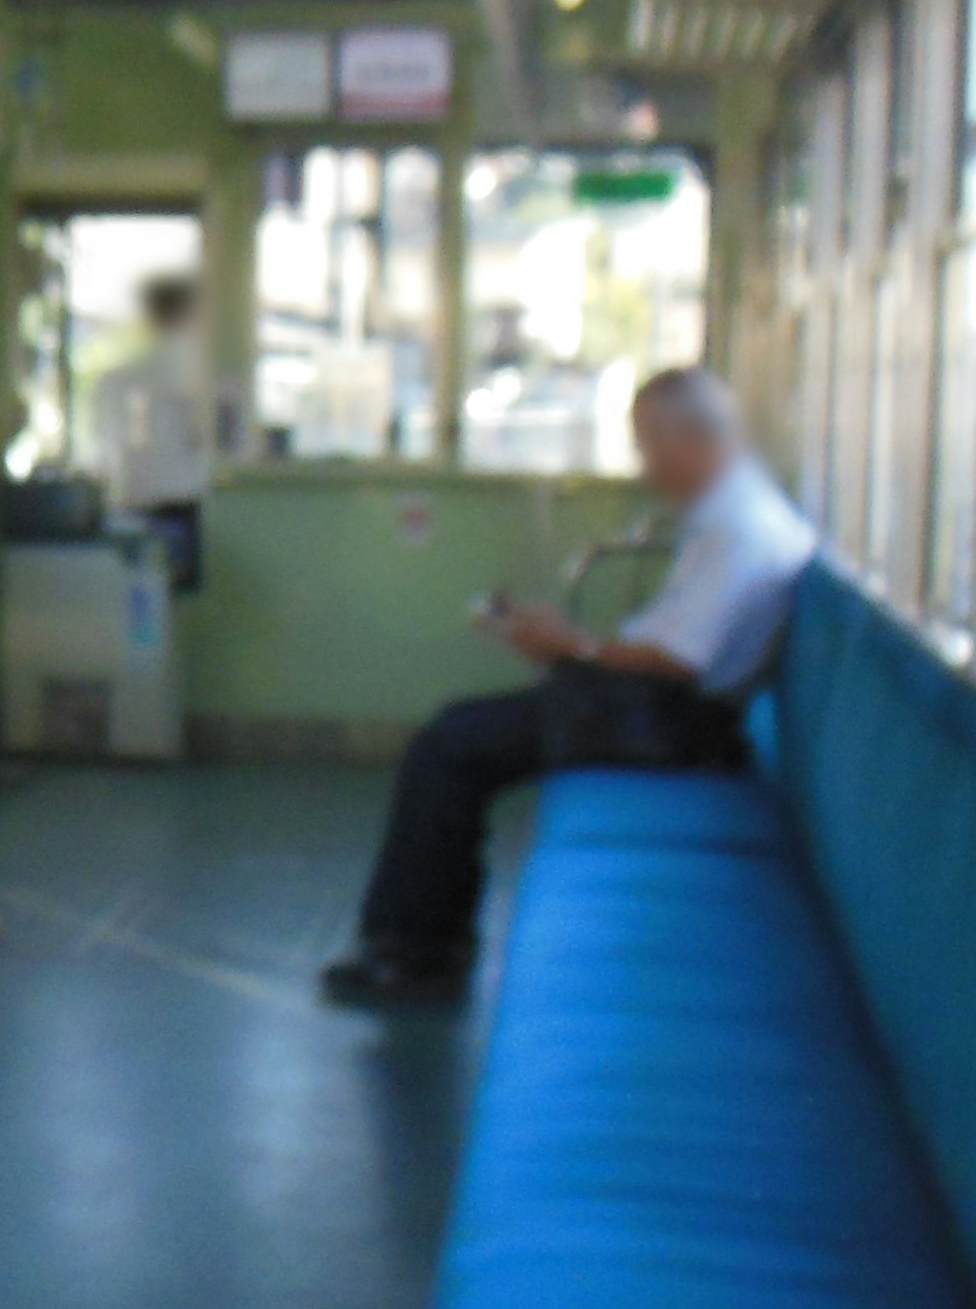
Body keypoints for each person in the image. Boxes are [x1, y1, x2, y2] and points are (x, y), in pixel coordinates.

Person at [321, 367, 816, 1010]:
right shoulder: (738, 513)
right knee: (462, 734)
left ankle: (414, 954)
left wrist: (573, 646)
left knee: (451, 743)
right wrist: (567, 646)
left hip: (671, 725)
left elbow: (676, 659)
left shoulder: (740, 530)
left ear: (694, 438)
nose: (646, 468)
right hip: (665, 709)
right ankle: (429, 943)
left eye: (649, 447)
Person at [89, 271, 210, 589]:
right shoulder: (200, 372)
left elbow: (106, 446)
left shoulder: (122, 379)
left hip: (137, 500)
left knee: (144, 601)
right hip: (189, 502)